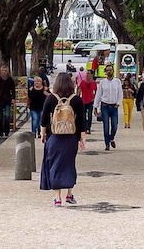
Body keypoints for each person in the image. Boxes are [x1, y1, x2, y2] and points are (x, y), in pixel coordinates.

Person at [40, 72, 86, 207]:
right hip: (71, 138)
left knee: (55, 165)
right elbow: (81, 122)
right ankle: (69, 194)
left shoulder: (50, 99)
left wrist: (43, 135)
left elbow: (43, 120)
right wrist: (82, 139)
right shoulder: (76, 99)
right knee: (69, 164)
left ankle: (57, 197)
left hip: (54, 137)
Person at [93, 64, 123, 151]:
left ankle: (111, 138)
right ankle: (107, 144)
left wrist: (118, 103)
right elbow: (98, 95)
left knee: (115, 125)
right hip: (105, 106)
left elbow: (120, 94)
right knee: (106, 126)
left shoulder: (117, 81)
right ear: (106, 72)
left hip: (114, 106)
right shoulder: (103, 82)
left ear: (113, 71)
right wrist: (95, 106)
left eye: (110, 70)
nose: (109, 72)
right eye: (107, 70)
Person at [0, 66, 16, 138]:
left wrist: (13, 98)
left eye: (5, 70)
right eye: (3, 70)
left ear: (7, 71)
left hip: (7, 100)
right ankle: (0, 132)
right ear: (1, 71)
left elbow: (13, 89)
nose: (4, 72)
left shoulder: (10, 79)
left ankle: (6, 132)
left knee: (7, 116)